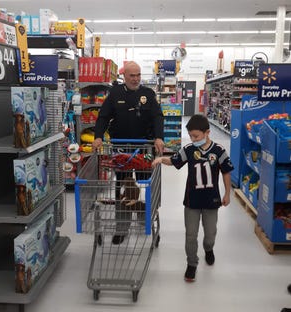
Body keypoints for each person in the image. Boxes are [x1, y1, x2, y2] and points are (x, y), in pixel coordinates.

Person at [152, 114, 234, 282]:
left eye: (196, 136)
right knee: (190, 235)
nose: (192, 138)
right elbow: (174, 161)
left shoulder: (219, 150)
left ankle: (208, 249)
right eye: (190, 135)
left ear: (207, 132)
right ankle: (191, 264)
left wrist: (227, 193)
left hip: (212, 201)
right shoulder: (189, 149)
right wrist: (161, 159)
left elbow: (226, 172)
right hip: (192, 201)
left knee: (210, 234)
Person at [93, 61, 164, 244]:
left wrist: (159, 137)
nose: (136, 79)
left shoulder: (148, 94)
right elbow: (103, 116)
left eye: (138, 75)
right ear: (124, 76)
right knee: (123, 188)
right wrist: (98, 136)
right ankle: (122, 228)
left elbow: (157, 117)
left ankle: (144, 220)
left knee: (143, 187)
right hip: (121, 150)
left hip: (144, 149)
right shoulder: (115, 93)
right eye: (132, 75)